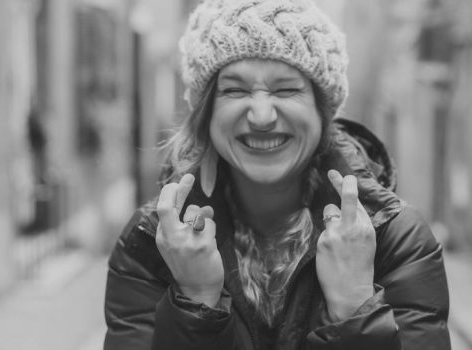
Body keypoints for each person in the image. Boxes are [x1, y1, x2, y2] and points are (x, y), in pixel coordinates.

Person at [103, 0, 450, 349]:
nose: (262, 115)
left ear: (323, 111)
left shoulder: (395, 239)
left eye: (286, 89)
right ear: (206, 113)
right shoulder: (150, 244)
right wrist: (195, 301)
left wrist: (355, 306)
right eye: (234, 90)